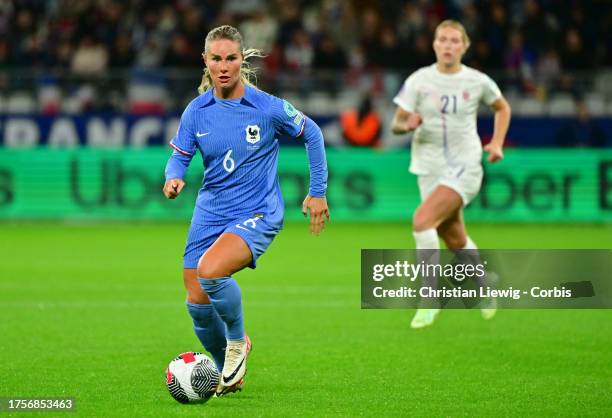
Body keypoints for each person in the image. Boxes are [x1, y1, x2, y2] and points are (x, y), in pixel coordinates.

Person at [162, 25, 329, 395]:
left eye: (231, 58)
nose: (224, 66)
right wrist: (174, 177)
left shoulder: (266, 107)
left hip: (258, 211)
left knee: (210, 271)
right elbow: (180, 156)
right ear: (205, 61)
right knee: (196, 301)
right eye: (216, 58)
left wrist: (317, 192)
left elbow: (312, 133)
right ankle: (227, 373)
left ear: (243, 60)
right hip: (210, 211)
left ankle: (238, 341)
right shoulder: (196, 111)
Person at [391, 20, 511, 329]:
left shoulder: (477, 81)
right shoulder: (419, 80)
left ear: (465, 46)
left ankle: (429, 299)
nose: (448, 45)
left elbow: (502, 108)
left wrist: (496, 143)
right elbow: (396, 123)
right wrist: (408, 124)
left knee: (422, 221)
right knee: (453, 237)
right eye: (442, 39)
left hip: (465, 165)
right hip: (428, 167)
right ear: (434, 44)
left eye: (454, 40)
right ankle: (485, 284)